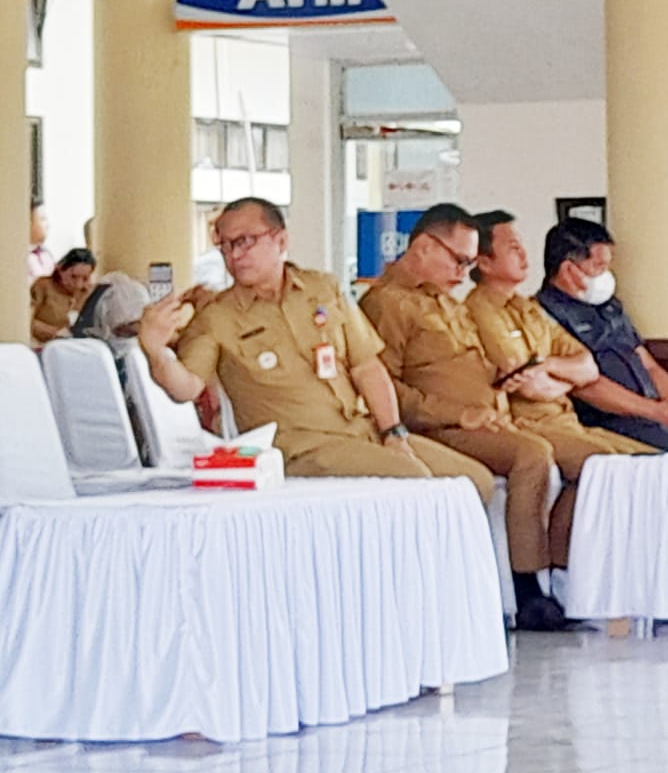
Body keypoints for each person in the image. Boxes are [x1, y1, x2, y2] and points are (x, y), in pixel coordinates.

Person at [136, 196, 499, 566]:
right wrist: (155, 351)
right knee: (413, 480)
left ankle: (452, 591)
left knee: (474, 481)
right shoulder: (217, 316)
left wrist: (394, 432)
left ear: (280, 240)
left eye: (245, 241)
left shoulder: (322, 289)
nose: (234, 255)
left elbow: (367, 367)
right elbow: (186, 388)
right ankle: (407, 593)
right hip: (299, 446)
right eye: (226, 245)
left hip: (361, 431)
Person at [358, 203, 576, 631]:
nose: (464, 273)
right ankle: (528, 587)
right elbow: (386, 386)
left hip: (488, 417)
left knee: (548, 450)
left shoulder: (447, 302)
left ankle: (544, 579)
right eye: (458, 260)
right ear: (422, 247)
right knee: (532, 455)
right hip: (436, 427)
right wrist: (459, 413)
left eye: (470, 263)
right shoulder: (388, 304)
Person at [464, 212, 654, 458]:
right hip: (532, 426)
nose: (523, 253)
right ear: (484, 263)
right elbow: (529, 384)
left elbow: (588, 368)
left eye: (521, 245)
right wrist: (570, 380)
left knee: (648, 462)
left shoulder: (528, 308)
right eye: (513, 248)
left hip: (569, 422)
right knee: (607, 467)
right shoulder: (479, 311)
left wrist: (548, 365)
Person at [536, 218, 668, 453]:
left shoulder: (610, 307)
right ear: (568, 270)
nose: (606, 275)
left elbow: (648, 364)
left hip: (654, 415)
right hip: (611, 421)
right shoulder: (544, 315)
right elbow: (585, 385)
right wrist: (654, 411)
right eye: (599, 267)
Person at [30, 247, 96, 347]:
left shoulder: (88, 293)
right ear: (61, 270)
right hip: (44, 346)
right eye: (73, 277)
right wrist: (55, 333)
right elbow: (28, 321)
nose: (78, 284)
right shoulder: (43, 286)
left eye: (85, 278)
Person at [26, 204, 53, 281]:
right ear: (29, 223)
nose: (47, 225)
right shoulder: (22, 256)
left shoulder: (46, 255)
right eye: (43, 219)